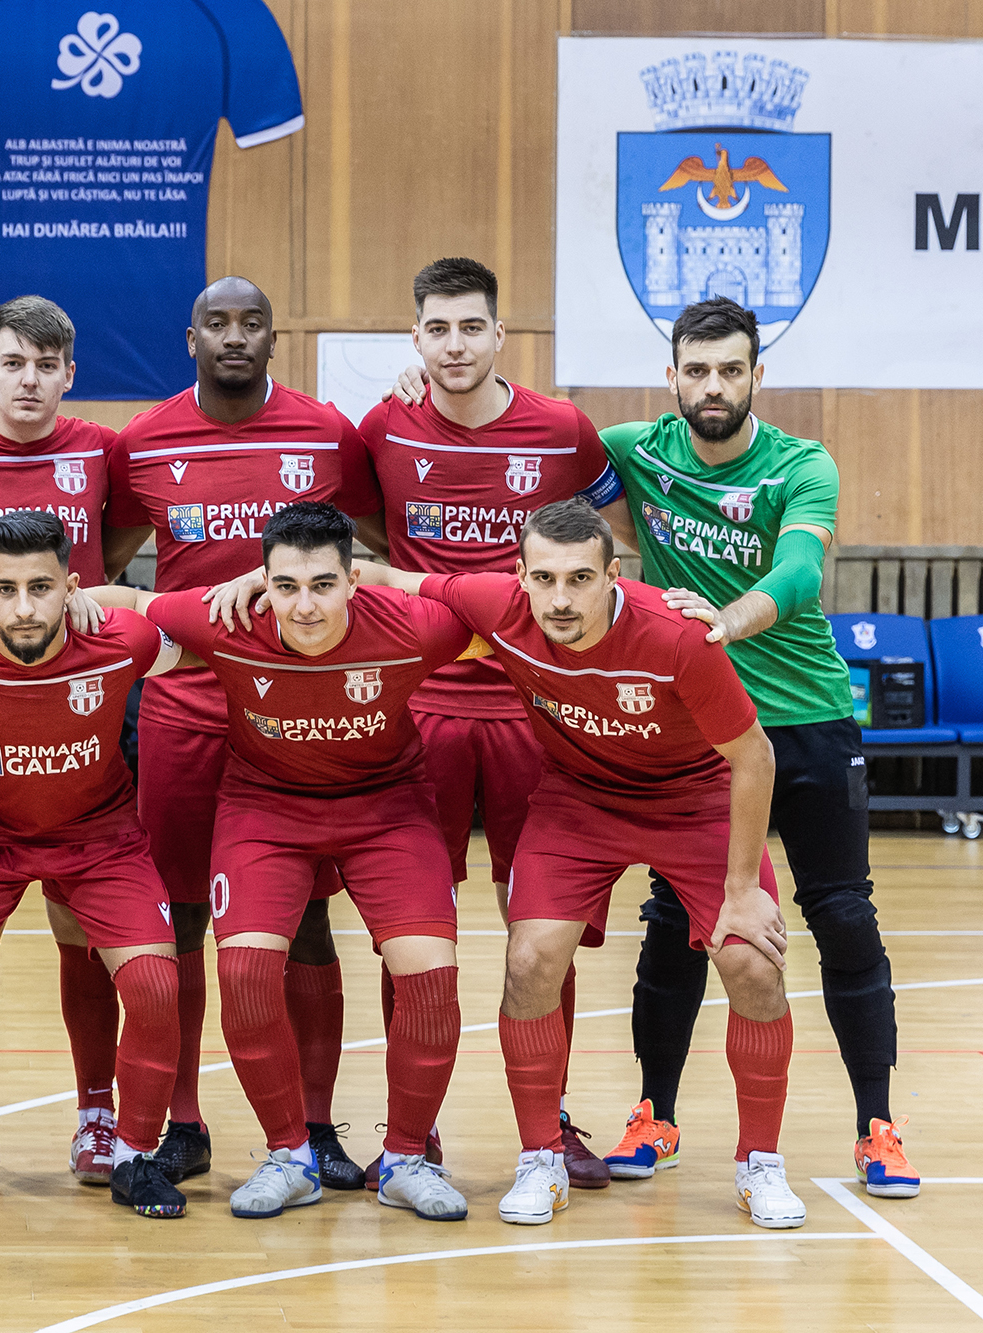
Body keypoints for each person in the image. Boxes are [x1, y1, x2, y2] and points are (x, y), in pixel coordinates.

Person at [357, 499, 805, 1230]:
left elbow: (754, 756)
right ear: (520, 576)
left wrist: (740, 891)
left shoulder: (677, 636)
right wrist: (264, 579)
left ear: (612, 574)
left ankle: (761, 1163)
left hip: (694, 799)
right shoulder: (499, 606)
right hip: (579, 800)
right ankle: (542, 1158)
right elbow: (389, 577)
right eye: (544, 578)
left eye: (579, 578)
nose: (560, 598)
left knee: (753, 964)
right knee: (530, 959)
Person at [591, 298, 911, 1197]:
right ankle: (655, 1114)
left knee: (842, 914)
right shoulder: (634, 449)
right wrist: (421, 382)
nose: (713, 386)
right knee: (675, 922)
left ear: (756, 375)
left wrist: (724, 622)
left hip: (806, 718)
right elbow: (529, 442)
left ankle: (877, 1127)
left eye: (731, 370)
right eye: (697, 370)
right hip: (698, 729)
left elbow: (801, 571)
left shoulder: (802, 464)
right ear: (671, 376)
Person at [108, 502, 476, 1222]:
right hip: (265, 809)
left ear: (354, 580)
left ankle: (405, 1158)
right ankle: (290, 1156)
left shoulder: (414, 627)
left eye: (322, 585)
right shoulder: (226, 620)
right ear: (263, 582)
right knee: (245, 970)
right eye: (285, 586)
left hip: (388, 808)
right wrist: (1, 607)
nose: (304, 606)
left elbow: (515, 614)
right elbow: (120, 600)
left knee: (430, 974)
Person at [104, 276, 382, 1188]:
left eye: (250, 323)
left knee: (305, 919)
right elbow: (111, 564)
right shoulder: (144, 440)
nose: (234, 336)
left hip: (296, 710)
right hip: (186, 711)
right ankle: (183, 1122)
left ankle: (315, 1125)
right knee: (180, 918)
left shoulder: (327, 432)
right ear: (190, 339)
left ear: (272, 336)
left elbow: (376, 546)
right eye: (216, 324)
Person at [360, 257, 620, 1188]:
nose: (455, 344)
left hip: (536, 710)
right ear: (416, 336)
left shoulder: (562, 429)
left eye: (472, 326)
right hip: (419, 707)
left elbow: (615, 537)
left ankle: (549, 1121)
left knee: (541, 926)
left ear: (500, 333)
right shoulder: (384, 426)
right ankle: (413, 1129)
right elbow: (360, 536)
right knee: (410, 931)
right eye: (437, 328)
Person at [0, 511, 188, 1220]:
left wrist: (120, 599)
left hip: (98, 835)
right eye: (6, 589)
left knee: (155, 985)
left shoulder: (121, 642)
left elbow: (201, 635)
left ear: (71, 587)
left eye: (42, 588)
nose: (24, 608)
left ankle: (127, 1149)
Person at [0, 295, 149, 1185]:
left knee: (77, 917)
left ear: (69, 375)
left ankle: (98, 1111)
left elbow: (119, 543)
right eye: (12, 363)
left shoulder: (101, 450)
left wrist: (89, 594)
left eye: (46, 366)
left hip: (83, 685)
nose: (28, 380)